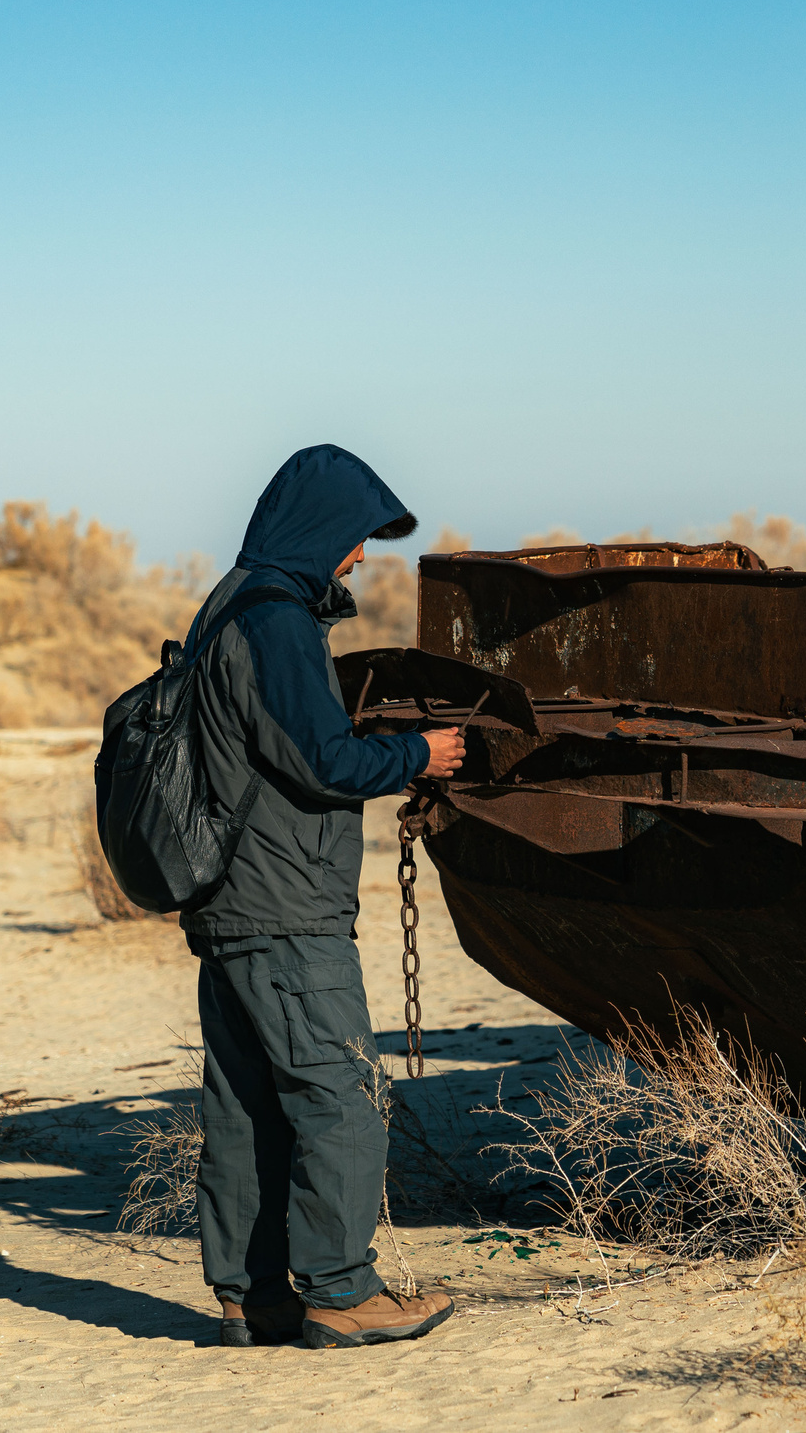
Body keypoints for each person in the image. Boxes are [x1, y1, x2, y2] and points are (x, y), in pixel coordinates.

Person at [181, 443, 465, 1349]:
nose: (362, 557)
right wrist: (421, 755)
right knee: (342, 1090)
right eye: (355, 537)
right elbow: (323, 760)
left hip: (229, 901)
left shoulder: (225, 606)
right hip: (285, 905)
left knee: (247, 1103)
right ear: (318, 531)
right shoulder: (274, 620)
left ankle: (251, 1295)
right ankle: (342, 1292)